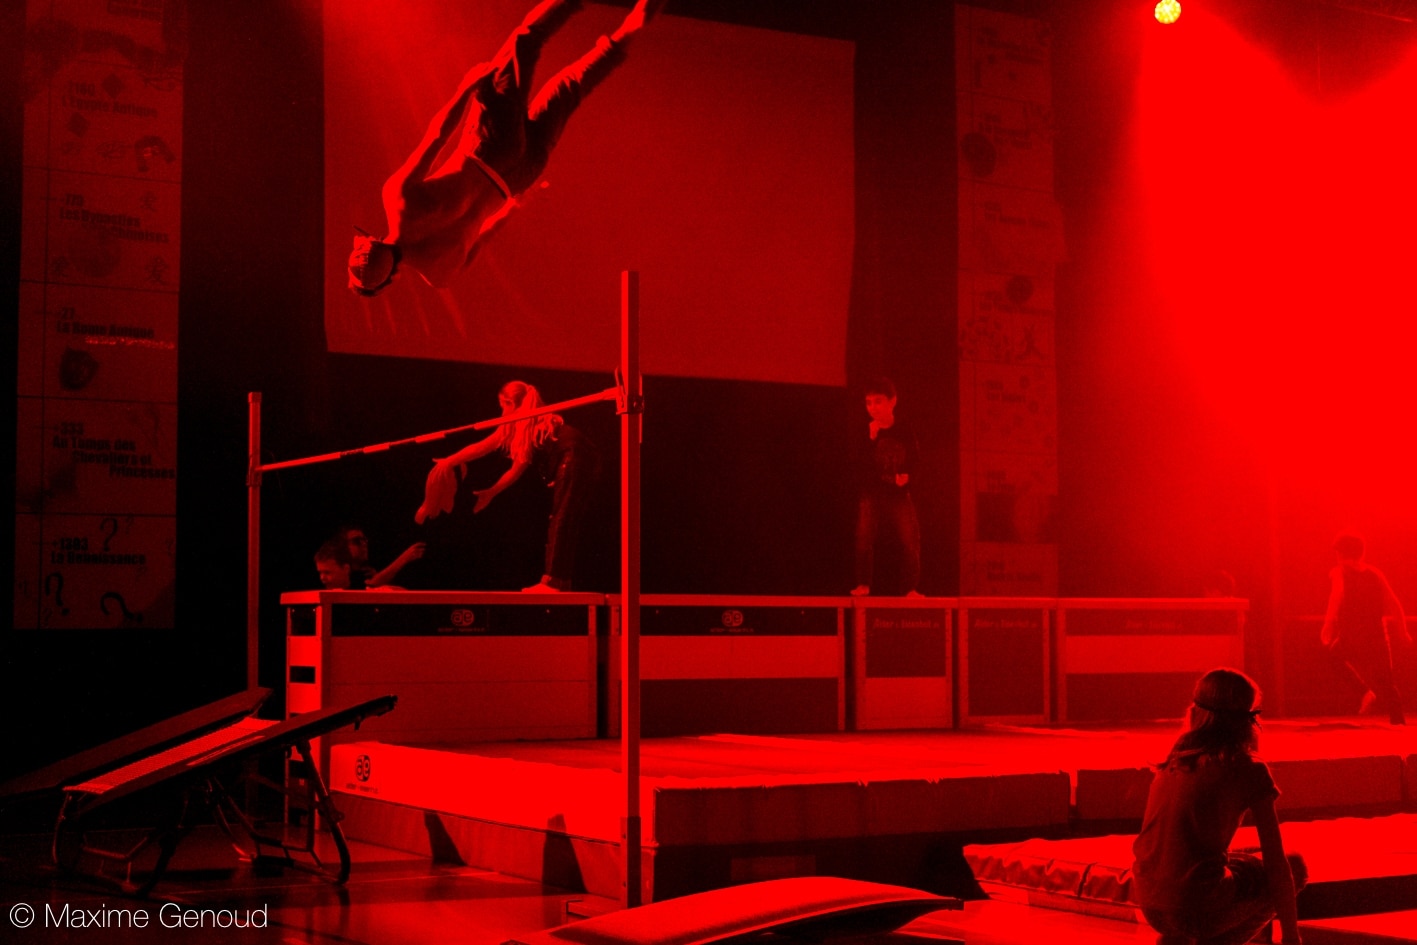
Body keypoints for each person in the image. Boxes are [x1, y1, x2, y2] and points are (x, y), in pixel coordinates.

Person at [347, 0, 668, 295]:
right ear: (370, 241)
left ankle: (628, 31)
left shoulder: (439, 273)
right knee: (526, 39)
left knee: (570, 87)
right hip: (487, 146)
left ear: (393, 278)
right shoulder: (398, 201)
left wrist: (514, 206)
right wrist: (464, 89)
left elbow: (484, 237)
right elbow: (437, 136)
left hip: (518, 178)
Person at [1132, 668, 1306, 945]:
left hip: (1150, 903)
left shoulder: (1174, 761)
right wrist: (1291, 936)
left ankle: (1177, 939)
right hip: (1194, 909)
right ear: (1247, 719)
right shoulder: (1246, 767)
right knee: (1294, 864)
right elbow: (1276, 863)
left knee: (1239, 857)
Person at [416, 380, 599, 592]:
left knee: (561, 518)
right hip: (585, 457)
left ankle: (553, 581)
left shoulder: (527, 422)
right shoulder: (526, 423)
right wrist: (487, 489)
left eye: (503, 406)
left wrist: (452, 464)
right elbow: (485, 450)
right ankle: (561, 581)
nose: (502, 412)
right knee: (566, 518)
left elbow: (502, 461)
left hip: (574, 456)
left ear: (511, 403)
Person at [1319, 533, 1410, 725]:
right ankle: (1398, 721)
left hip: (1352, 635)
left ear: (1340, 553)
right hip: (1377, 636)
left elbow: (1337, 595)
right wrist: (1403, 631)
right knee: (1387, 682)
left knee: (1333, 658)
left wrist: (1328, 623)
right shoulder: (1375, 573)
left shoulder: (1339, 571)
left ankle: (1364, 692)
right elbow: (1394, 603)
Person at [851, 377, 922, 597]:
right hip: (872, 493)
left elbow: (915, 459)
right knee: (863, 537)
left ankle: (909, 589)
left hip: (898, 493)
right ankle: (863, 584)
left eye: (878, 401)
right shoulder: (865, 430)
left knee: (911, 540)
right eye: (869, 402)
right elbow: (858, 464)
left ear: (892, 401)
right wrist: (871, 438)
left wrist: (907, 476)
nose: (873, 407)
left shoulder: (904, 428)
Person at [336, 525, 426, 588]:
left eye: (364, 540)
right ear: (343, 546)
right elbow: (369, 586)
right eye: (357, 541)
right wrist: (404, 558)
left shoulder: (367, 572)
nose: (364, 544)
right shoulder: (341, 572)